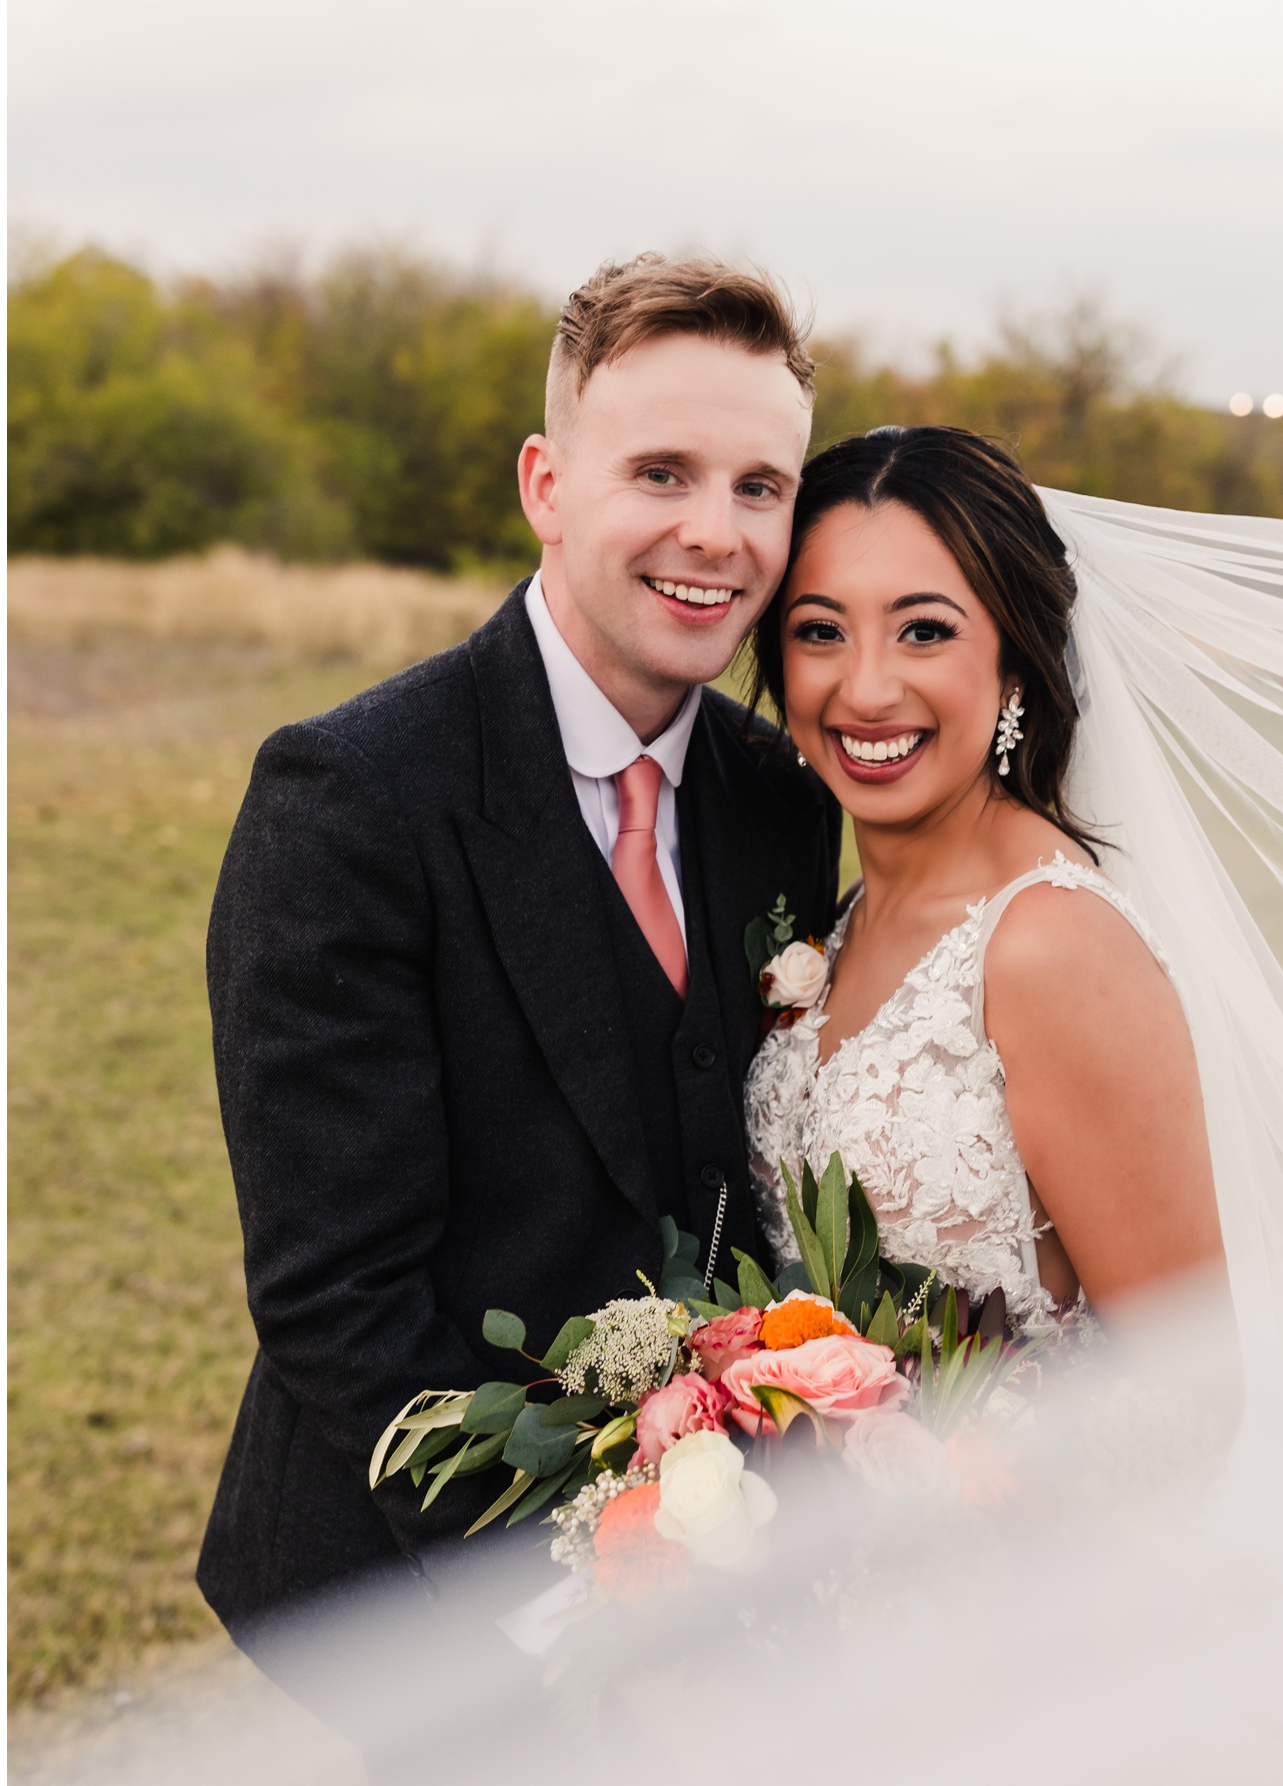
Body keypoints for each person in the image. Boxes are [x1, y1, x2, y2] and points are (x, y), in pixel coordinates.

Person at [198, 254, 841, 1687]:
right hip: (426, 1593)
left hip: (732, 1567)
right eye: (661, 471)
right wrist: (575, 1608)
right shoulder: (350, 795)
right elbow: (335, 1291)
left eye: (760, 485)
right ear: (547, 483)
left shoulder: (780, 793)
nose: (715, 532)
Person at [746, 425, 1222, 1342]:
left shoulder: (1052, 945)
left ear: (1014, 666)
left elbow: (1194, 1388)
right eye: (821, 631)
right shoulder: (839, 920)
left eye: (924, 630)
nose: (867, 687)